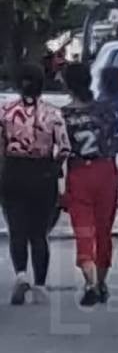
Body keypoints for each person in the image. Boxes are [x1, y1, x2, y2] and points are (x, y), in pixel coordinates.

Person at [0, 64, 70, 305]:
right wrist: (52, 170)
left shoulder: (6, 112)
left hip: (13, 172)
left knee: (16, 229)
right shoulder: (53, 114)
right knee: (39, 234)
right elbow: (64, 148)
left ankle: (21, 275)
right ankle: (40, 285)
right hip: (42, 174)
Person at [61, 63, 118, 307]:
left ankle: (90, 282)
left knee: (83, 229)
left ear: (67, 85)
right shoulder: (106, 112)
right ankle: (102, 280)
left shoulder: (64, 115)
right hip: (106, 171)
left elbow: (60, 150)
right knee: (103, 229)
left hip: (79, 173)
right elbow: (115, 144)